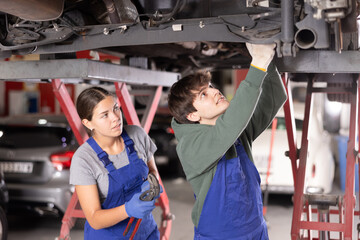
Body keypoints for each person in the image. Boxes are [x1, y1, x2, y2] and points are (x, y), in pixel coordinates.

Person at [167, 43, 287, 239]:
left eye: (211, 87)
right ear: (192, 116)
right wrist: (257, 65)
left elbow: (275, 97)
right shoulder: (190, 146)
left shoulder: (237, 130)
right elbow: (226, 130)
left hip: (256, 229)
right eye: (203, 95)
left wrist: (267, 58)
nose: (215, 92)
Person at [69, 86, 161, 240]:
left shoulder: (137, 135)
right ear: (88, 123)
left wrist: (153, 184)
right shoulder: (83, 159)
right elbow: (94, 219)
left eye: (116, 108)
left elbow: (152, 170)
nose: (116, 117)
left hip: (146, 232)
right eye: (104, 115)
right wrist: (128, 209)